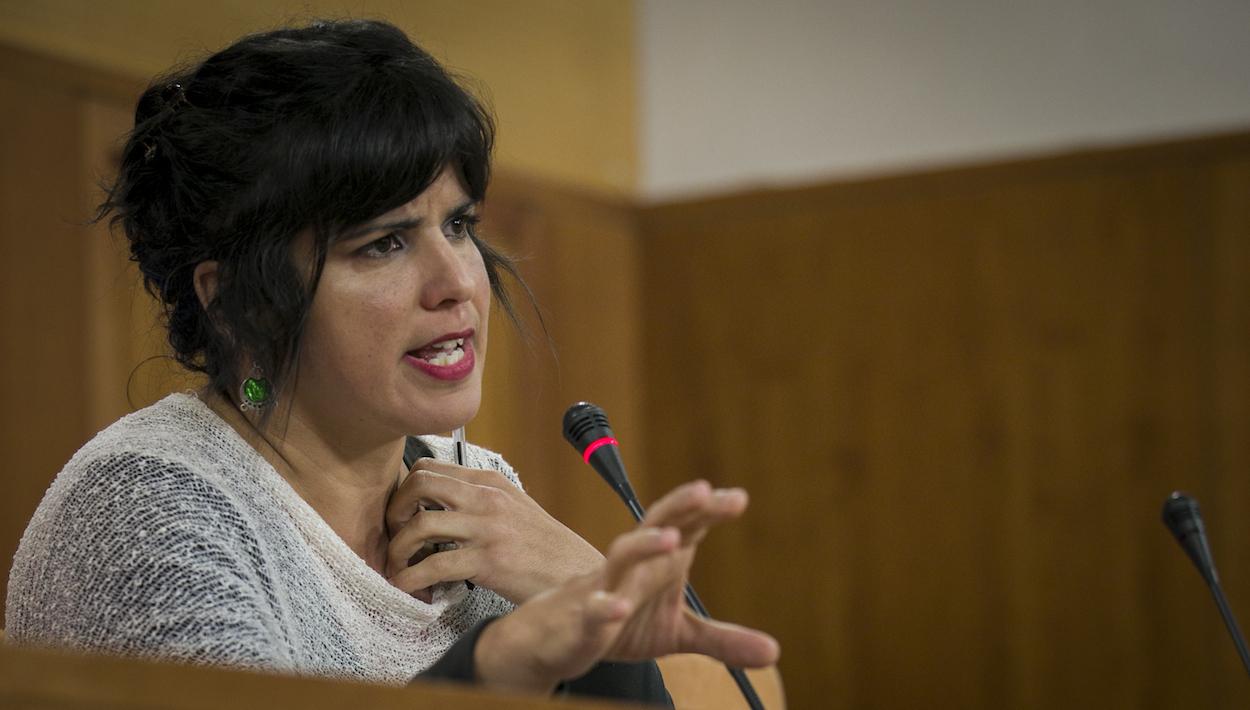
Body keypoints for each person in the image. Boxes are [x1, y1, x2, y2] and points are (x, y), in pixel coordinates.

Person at [3, 18, 778, 703]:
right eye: (384, 242)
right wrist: (494, 665)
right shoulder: (149, 506)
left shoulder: (483, 497)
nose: (458, 283)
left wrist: (584, 587)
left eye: (460, 225)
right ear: (238, 297)